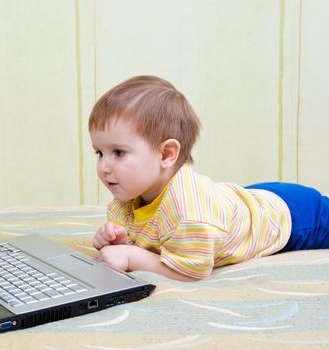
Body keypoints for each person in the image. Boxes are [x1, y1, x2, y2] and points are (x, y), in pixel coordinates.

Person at [89, 75, 329, 281]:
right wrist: (121, 241)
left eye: (118, 153)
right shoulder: (132, 196)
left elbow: (192, 271)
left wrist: (132, 256)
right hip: (250, 200)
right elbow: (154, 236)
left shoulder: (189, 213)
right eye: (100, 153)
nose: (104, 167)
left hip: (293, 216)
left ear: (166, 154)